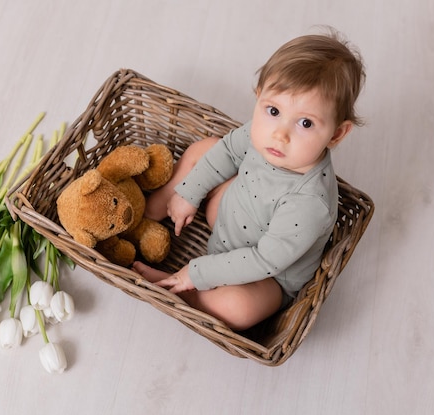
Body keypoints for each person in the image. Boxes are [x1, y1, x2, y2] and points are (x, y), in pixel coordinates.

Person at [132, 29, 366, 331]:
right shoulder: (263, 133)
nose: (280, 134)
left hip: (266, 274)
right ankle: (151, 212)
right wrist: (190, 193)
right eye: (273, 110)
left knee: (239, 308)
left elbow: (264, 259)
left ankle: (184, 295)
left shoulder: (310, 203)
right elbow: (228, 151)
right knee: (208, 149)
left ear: (336, 134)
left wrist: (196, 272)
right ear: (259, 98)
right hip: (231, 215)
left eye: (305, 123)